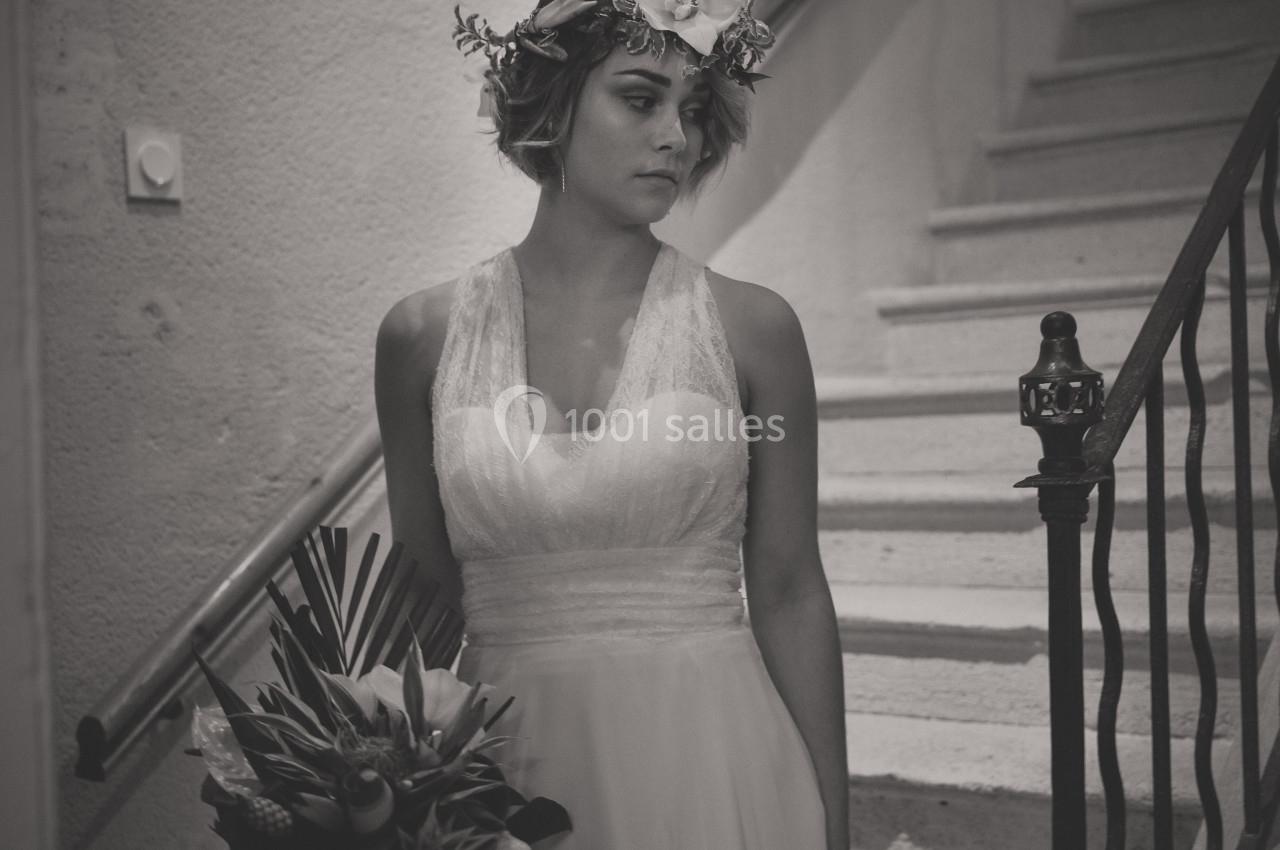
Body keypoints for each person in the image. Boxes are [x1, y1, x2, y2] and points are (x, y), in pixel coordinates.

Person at [374, 1, 848, 847]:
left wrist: (833, 821)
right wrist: (370, 793)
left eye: (694, 110)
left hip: (713, 761)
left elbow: (788, 588)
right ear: (553, 106)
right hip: (502, 768)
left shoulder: (754, 329)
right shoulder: (420, 339)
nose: (677, 138)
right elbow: (420, 599)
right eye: (640, 99)